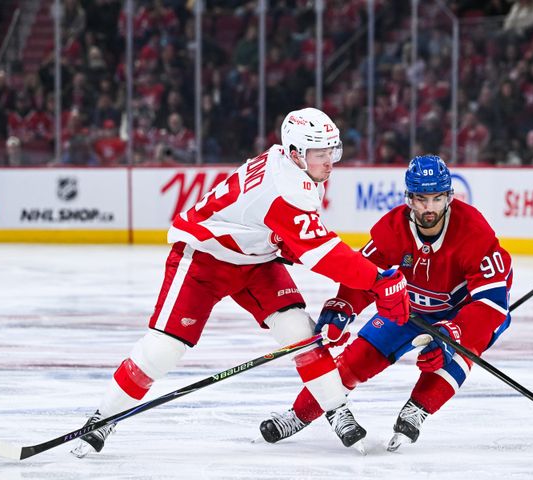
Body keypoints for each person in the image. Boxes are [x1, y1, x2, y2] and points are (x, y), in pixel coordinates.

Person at [72, 108, 410, 457]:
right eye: (319, 153)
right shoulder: (287, 187)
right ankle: (103, 417)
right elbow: (321, 254)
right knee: (163, 350)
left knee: (300, 332)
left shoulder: (290, 165)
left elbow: (290, 239)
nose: (329, 162)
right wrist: (377, 280)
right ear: (295, 152)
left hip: (255, 260)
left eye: (331, 151)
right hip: (204, 260)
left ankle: (336, 409)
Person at [259, 155, 513, 452]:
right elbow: (365, 275)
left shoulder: (474, 232)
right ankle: (299, 414)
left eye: (436, 198)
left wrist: (454, 334)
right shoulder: (392, 229)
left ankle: (418, 408)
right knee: (356, 360)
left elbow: (492, 306)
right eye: (420, 199)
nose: (428, 208)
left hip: (460, 316)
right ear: (409, 198)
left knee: (454, 353)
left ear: (449, 197)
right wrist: (344, 306)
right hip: (407, 308)